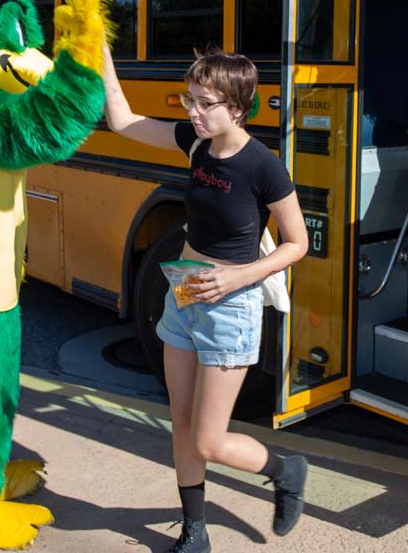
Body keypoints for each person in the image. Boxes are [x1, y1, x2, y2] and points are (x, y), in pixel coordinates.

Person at [100, 45, 309, 553]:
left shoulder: (264, 167)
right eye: (189, 100)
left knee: (209, 441)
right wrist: (100, 53)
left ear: (237, 107)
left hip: (230, 309)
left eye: (205, 103)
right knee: (182, 422)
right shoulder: (196, 144)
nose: (193, 112)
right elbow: (123, 120)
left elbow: (297, 244)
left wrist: (238, 278)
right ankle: (195, 531)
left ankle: (286, 471)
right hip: (184, 295)